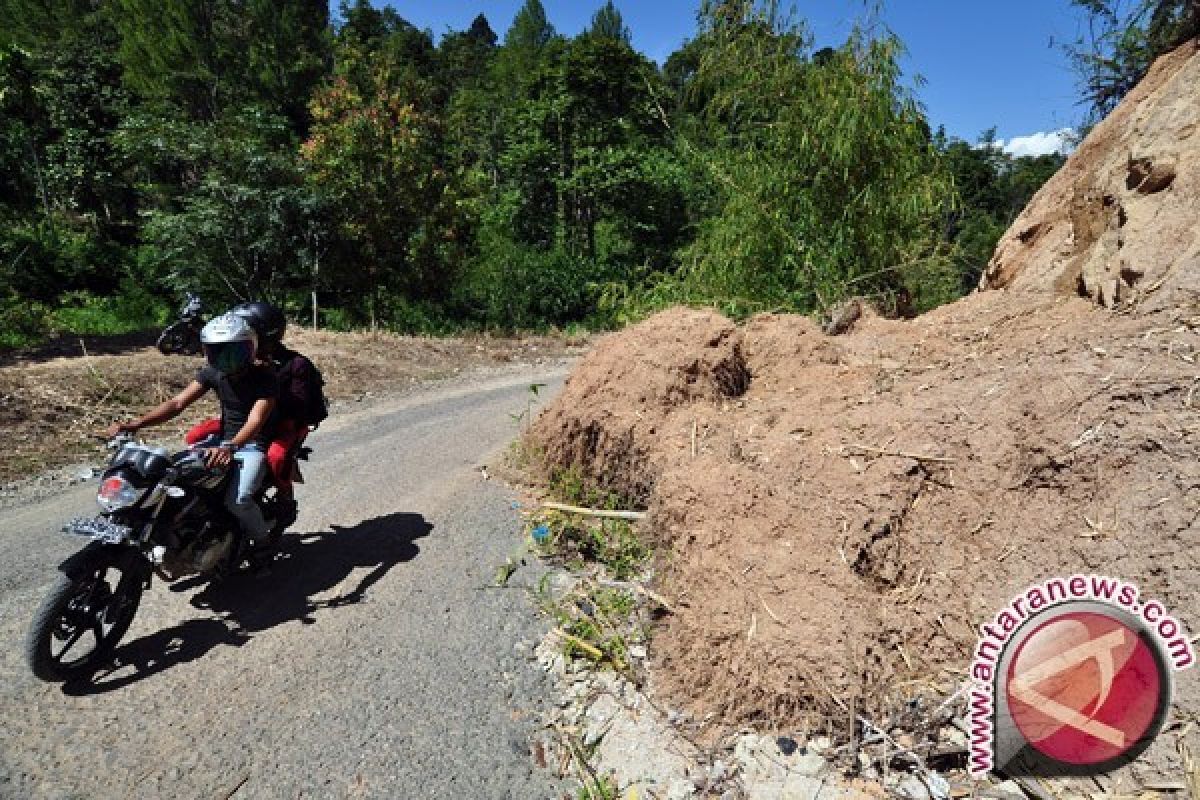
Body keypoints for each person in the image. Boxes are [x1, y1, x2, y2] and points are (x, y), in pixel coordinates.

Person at [105, 313, 277, 545]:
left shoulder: (265, 377)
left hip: (250, 444)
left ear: (251, 348)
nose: (227, 360)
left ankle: (263, 542)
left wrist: (230, 446)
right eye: (218, 352)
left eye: (234, 352)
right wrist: (136, 424)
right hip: (221, 442)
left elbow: (255, 421)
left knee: (238, 500)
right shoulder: (212, 373)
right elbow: (177, 403)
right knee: (169, 480)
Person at [185, 301, 321, 530]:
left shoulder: (295, 364)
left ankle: (285, 494)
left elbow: (299, 407)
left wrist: (267, 386)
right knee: (195, 436)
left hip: (284, 422)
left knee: (277, 458)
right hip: (245, 419)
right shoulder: (237, 356)